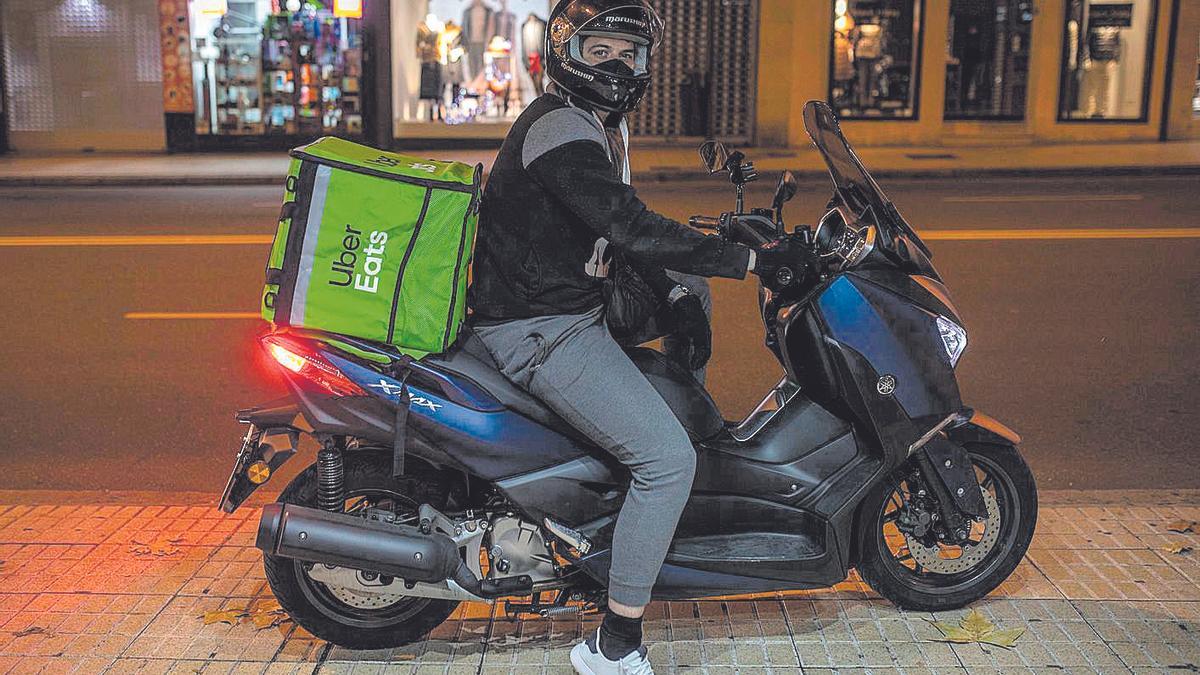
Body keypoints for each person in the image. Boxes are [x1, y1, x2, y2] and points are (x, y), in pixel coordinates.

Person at [467, 1, 809, 672]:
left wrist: (701, 259)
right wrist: (748, 260)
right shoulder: (562, 128)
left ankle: (655, 491)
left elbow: (619, 228)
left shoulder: (594, 125)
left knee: (689, 293)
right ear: (566, 52)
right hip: (543, 328)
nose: (620, 66)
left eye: (631, 53)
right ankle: (614, 645)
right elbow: (628, 225)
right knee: (666, 459)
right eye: (602, 52)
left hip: (567, 303)